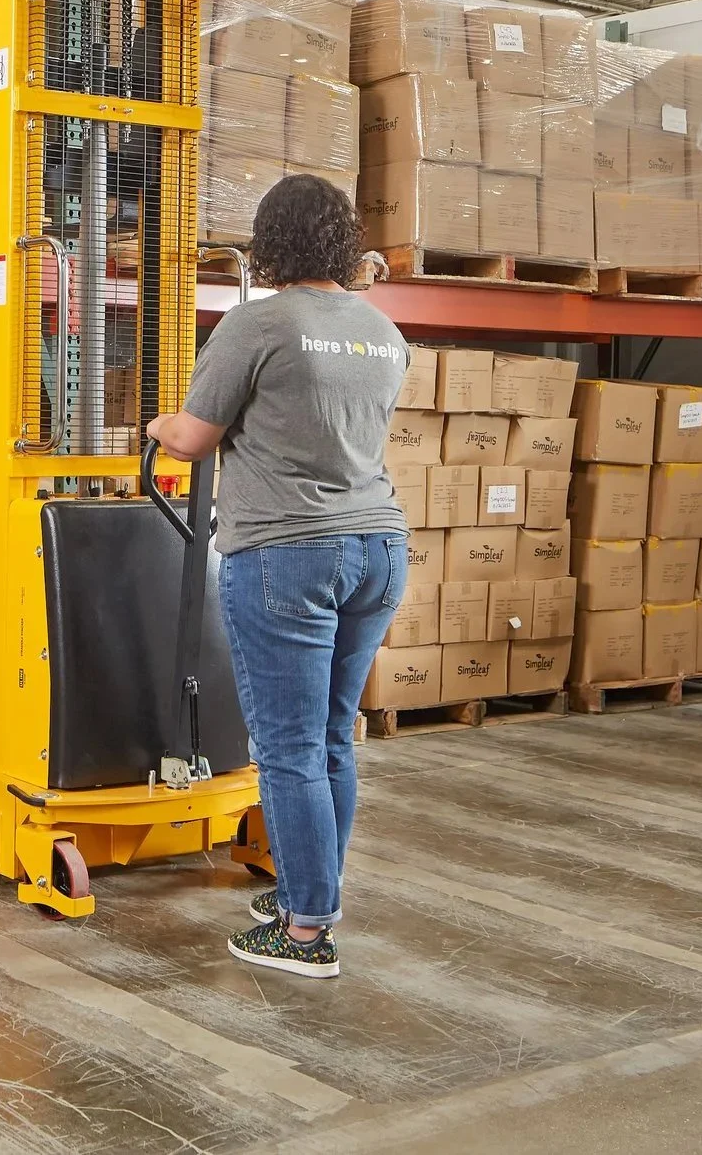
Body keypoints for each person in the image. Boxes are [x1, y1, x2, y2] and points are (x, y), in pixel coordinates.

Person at [144, 174, 407, 979]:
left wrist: (157, 420)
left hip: (287, 554)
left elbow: (190, 439)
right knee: (331, 737)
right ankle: (311, 889)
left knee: (287, 747)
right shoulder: (381, 330)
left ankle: (303, 933)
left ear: (272, 242)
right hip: (378, 548)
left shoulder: (257, 323)